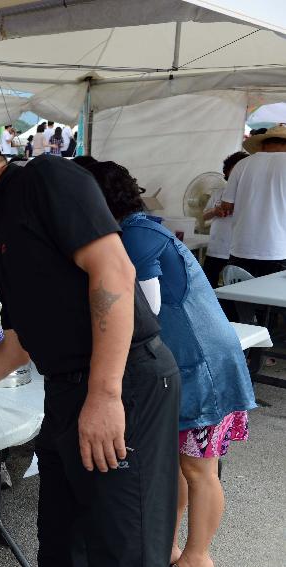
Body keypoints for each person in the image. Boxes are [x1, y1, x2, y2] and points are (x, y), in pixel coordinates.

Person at [0, 113, 180, 567]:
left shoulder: (46, 178)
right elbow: (20, 343)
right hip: (67, 391)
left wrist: (105, 395)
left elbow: (115, 273)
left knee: (126, 549)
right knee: (64, 545)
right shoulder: (2, 230)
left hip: (123, 382)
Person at [88, 161, 256, 567]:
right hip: (189, 364)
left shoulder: (136, 235)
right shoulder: (136, 230)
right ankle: (168, 546)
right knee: (179, 467)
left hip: (202, 367)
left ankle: (198, 557)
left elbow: (145, 309)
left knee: (200, 470)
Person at [218, 125, 286, 277]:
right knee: (272, 299)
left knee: (240, 298)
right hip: (278, 249)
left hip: (242, 248)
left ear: (263, 144)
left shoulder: (242, 164)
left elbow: (227, 205)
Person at [201, 152, 249, 288]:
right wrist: (214, 211)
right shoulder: (218, 193)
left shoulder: (250, 195)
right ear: (227, 172)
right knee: (208, 283)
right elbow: (204, 216)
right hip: (216, 248)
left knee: (235, 285)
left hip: (238, 250)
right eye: (234, 170)